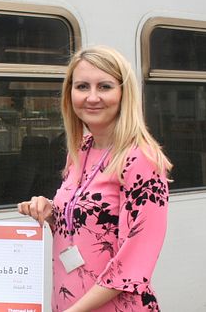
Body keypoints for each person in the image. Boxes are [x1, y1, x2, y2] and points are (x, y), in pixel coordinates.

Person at [17, 46, 172, 312]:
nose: (92, 97)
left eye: (105, 86)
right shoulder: (81, 150)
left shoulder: (141, 159)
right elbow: (83, 229)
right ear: (70, 95)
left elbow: (135, 264)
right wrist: (49, 211)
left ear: (124, 93)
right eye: (82, 87)